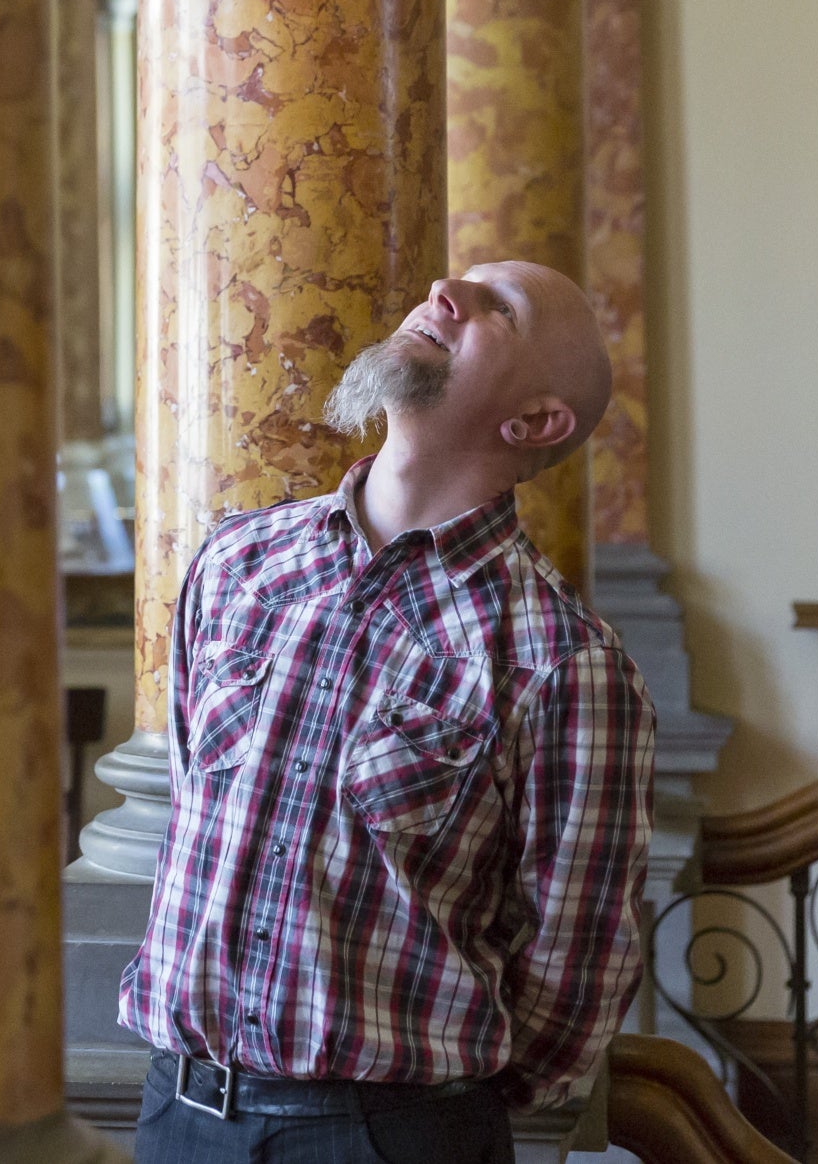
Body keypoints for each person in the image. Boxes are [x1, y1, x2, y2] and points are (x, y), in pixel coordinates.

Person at [123, 260, 656, 1164]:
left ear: (533, 421)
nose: (447, 292)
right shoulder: (240, 564)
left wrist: (421, 1112)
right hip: (177, 1114)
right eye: (461, 281)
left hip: (386, 1139)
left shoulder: (565, 663)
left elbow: (576, 974)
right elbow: (190, 811)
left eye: (500, 310)